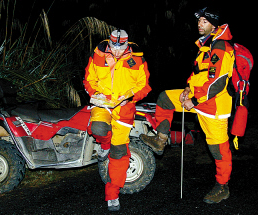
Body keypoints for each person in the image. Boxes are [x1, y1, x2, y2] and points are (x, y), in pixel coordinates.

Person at [140, 7, 235, 204]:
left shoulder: (221, 47)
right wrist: (186, 89)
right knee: (165, 99)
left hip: (214, 107)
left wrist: (195, 100)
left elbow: (218, 82)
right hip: (196, 99)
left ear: (214, 24)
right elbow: (199, 74)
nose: (200, 24)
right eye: (199, 20)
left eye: (204, 21)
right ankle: (160, 139)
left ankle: (222, 187)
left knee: (218, 150)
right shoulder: (206, 46)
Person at [83, 29, 151, 211]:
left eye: (121, 48)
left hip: (124, 108)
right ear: (109, 43)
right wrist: (95, 93)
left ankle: (112, 194)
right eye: (114, 47)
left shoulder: (137, 59)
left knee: (119, 152)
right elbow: (89, 79)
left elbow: (144, 85)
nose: (117, 52)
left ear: (127, 45)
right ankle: (104, 146)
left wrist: (131, 97)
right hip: (103, 104)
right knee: (97, 129)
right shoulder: (98, 55)